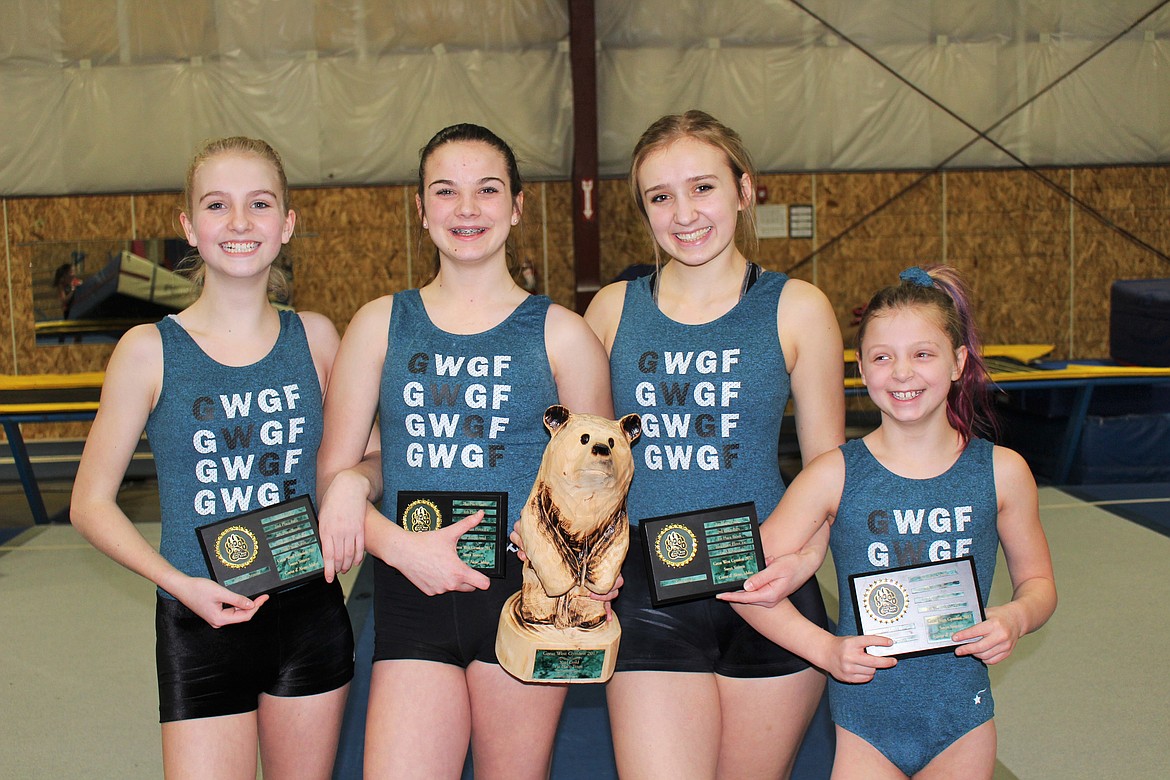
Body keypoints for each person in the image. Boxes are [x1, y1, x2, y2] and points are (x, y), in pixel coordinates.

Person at [315, 123, 613, 780]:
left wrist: (587, 563)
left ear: (517, 207)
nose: (468, 209)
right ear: (421, 210)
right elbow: (332, 474)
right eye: (446, 192)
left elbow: (600, 488)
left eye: (487, 189)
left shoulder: (563, 336)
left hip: (523, 594)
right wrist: (386, 533)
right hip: (409, 588)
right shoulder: (377, 325)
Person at [71, 137, 354, 779]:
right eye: (217, 205)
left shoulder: (315, 336)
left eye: (259, 204)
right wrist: (179, 584)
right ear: (188, 229)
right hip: (200, 615)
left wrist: (346, 489)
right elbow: (89, 503)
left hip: (309, 612)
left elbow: (368, 458)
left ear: (286, 224)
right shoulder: (148, 350)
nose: (238, 222)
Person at [582, 110, 845, 779]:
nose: (684, 213)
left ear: (744, 190)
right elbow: (581, 470)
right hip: (647, 588)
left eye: (702, 187)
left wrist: (804, 558)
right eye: (660, 197)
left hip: (768, 580)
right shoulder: (613, 311)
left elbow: (829, 471)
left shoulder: (798, 308)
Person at [723, 265, 1058, 779]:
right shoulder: (832, 474)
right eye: (883, 357)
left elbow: (1039, 584)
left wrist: (1015, 618)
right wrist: (825, 649)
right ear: (861, 367)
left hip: (961, 723)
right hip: (864, 728)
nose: (902, 373)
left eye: (922, 354)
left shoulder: (1003, 472)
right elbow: (738, 575)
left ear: (957, 362)